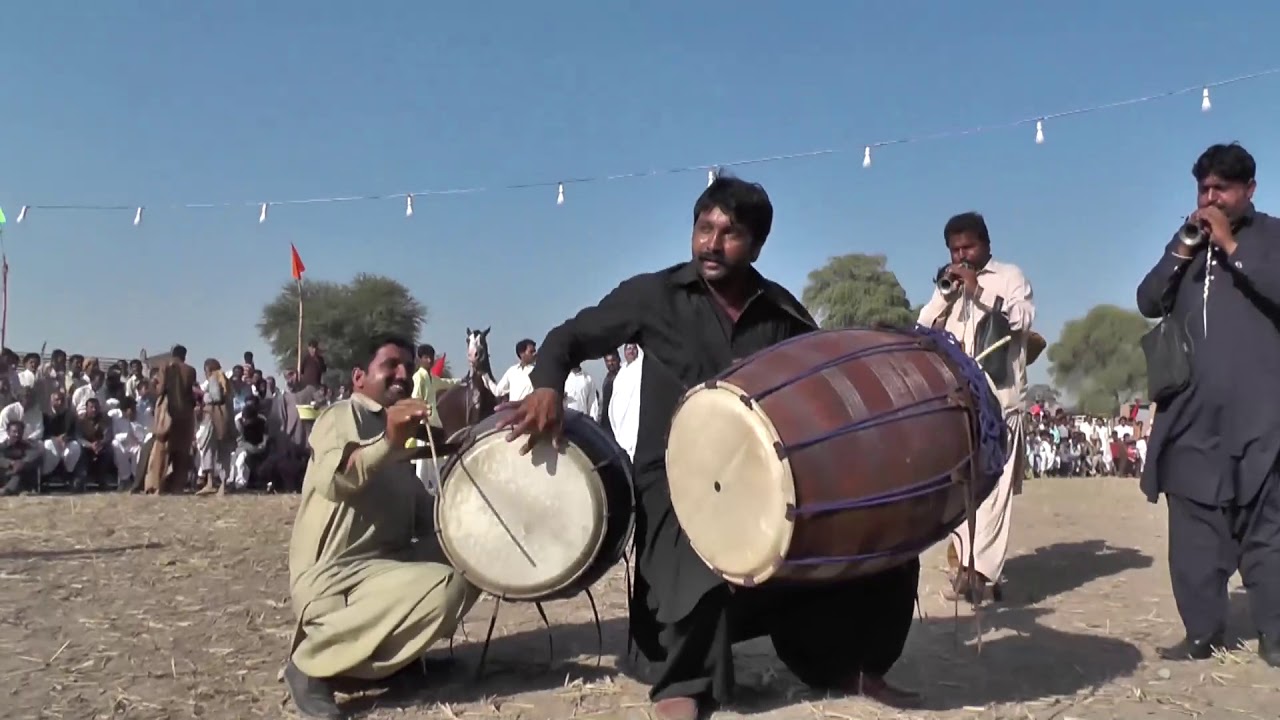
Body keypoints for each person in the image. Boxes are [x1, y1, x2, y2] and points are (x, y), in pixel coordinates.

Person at [500, 176, 921, 720]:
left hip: (764, 480)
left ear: (758, 245)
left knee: (886, 534)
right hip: (671, 478)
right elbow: (570, 337)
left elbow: (823, 384)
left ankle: (849, 661)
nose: (712, 243)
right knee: (701, 551)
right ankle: (684, 683)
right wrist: (548, 385)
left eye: (731, 233)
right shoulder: (655, 296)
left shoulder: (781, 313)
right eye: (705, 228)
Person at [1136, 142, 1280, 666]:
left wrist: (1231, 248)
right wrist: (1182, 250)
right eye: (1204, 188)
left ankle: (1275, 634)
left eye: (1222, 188)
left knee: (1267, 529)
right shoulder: (1189, 246)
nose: (1211, 198)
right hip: (1191, 417)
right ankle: (1202, 632)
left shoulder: (1273, 237)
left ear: (1250, 191)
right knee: (1194, 530)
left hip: (1263, 414)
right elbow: (1148, 300)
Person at [284, 335, 479, 719]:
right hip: (335, 580)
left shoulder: (402, 439)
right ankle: (312, 665)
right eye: (390, 365)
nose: (403, 374)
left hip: (385, 571)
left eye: (407, 366)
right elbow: (335, 479)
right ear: (359, 377)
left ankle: (397, 664)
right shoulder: (342, 416)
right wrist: (391, 439)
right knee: (445, 587)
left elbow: (431, 521)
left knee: (475, 558)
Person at [917, 211, 1035, 602]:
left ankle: (980, 575)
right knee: (962, 489)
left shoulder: (1009, 277)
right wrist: (949, 296)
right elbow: (923, 327)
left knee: (995, 489)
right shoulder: (947, 284)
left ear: (986, 245)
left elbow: (1023, 319)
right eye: (955, 250)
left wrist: (980, 293)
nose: (962, 255)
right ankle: (964, 566)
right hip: (960, 403)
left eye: (968, 247)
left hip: (1000, 403)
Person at [144, 344, 197, 494]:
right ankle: (176, 486)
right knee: (181, 451)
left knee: (162, 449)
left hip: (168, 411)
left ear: (172, 353)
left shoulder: (165, 366)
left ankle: (156, 486)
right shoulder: (191, 370)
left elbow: (161, 390)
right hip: (185, 413)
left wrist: (153, 386)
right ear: (184, 356)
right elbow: (189, 392)